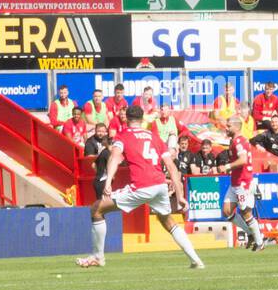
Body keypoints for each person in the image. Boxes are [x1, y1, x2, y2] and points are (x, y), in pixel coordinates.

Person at [76, 105, 204, 269]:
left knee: (96, 209)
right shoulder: (154, 136)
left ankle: (98, 257)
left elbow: (114, 157)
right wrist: (180, 195)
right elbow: (172, 167)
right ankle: (196, 260)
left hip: (141, 186)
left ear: (127, 119)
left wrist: (108, 183)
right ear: (143, 119)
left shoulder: (123, 136)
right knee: (167, 220)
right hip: (159, 185)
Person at [216, 115, 264, 251]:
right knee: (227, 211)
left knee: (246, 213)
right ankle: (250, 234)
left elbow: (243, 160)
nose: (226, 127)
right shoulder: (234, 141)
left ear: (236, 127)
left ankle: (260, 242)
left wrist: (227, 167)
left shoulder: (239, 141)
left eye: (229, 125)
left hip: (243, 182)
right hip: (235, 182)